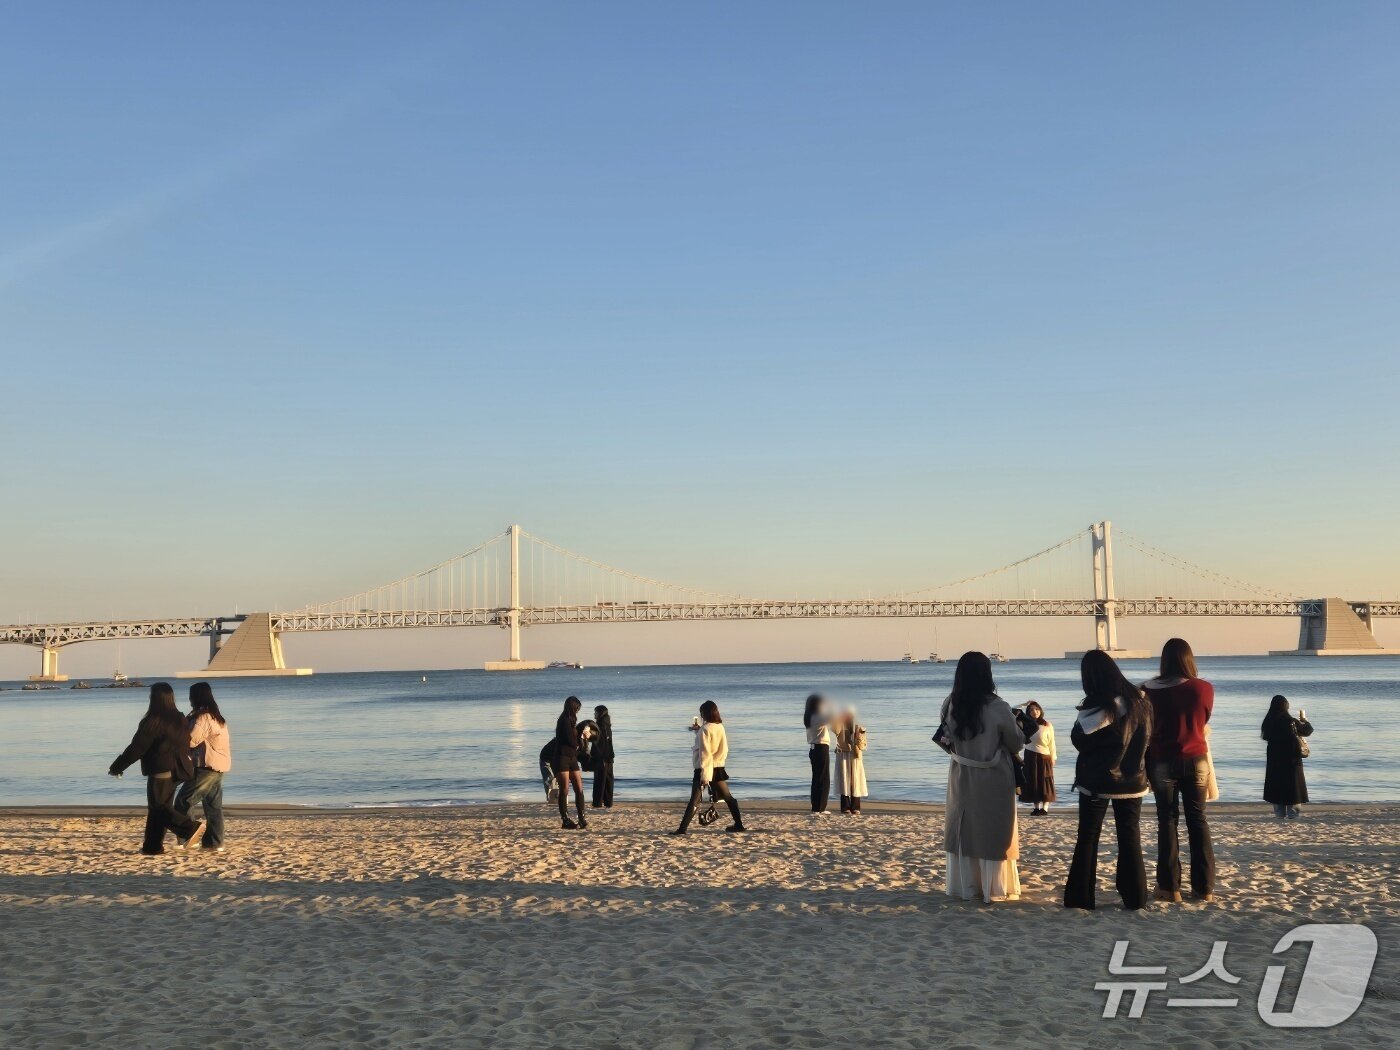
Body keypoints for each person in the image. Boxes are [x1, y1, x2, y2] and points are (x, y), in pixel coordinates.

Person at [1063, 651, 1151, 911]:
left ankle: (1081, 899)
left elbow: (1080, 740)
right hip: (1134, 781)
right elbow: (1147, 738)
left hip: (1098, 781)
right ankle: (1135, 898)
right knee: (1130, 838)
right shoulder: (1142, 700)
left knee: (1088, 837)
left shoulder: (1099, 705)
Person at [937, 652, 1023, 903]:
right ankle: (994, 887)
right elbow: (1015, 743)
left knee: (964, 827)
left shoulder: (951, 703)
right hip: (993, 775)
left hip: (961, 773)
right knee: (994, 830)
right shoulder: (997, 706)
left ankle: (966, 886)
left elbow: (945, 737)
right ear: (987, 674)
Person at [1141, 637, 1216, 903]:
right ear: (1189, 658)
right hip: (1196, 758)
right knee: (1198, 820)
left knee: (1167, 820)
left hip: (1161, 760)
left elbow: (1144, 726)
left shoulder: (1145, 690)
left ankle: (1169, 887)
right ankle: (1204, 888)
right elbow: (1203, 719)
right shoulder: (1203, 688)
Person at [107, 682, 206, 855]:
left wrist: (117, 767)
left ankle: (189, 827)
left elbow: (137, 748)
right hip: (180, 769)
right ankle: (152, 847)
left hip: (162, 769)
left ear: (154, 699)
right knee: (158, 808)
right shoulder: (179, 718)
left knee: (159, 808)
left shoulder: (153, 721)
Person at [174, 682, 231, 852]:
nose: (189, 699)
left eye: (191, 696)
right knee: (213, 806)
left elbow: (190, 740)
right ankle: (215, 842)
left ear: (197, 697)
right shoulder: (216, 716)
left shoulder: (203, 717)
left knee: (183, 801)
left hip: (206, 766)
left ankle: (189, 835)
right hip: (219, 766)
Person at [673, 701, 745, 835]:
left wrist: (705, 776)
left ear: (704, 713)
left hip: (704, 768)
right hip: (718, 767)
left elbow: (705, 753)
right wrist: (698, 730)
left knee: (694, 800)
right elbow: (718, 746)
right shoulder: (719, 727)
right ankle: (739, 824)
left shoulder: (705, 730)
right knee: (728, 798)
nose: (701, 715)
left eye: (701, 713)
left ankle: (682, 829)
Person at [1262, 695, 1314, 818]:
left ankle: (1279, 815)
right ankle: (1292, 815)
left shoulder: (1268, 721)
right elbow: (1308, 730)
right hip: (1292, 759)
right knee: (1293, 787)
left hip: (1275, 760)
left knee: (1277, 786)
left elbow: (1265, 736)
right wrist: (1304, 720)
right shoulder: (1291, 722)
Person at [552, 696, 588, 829]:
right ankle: (565, 819)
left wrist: (583, 736)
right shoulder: (564, 721)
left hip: (572, 758)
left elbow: (575, 741)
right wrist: (581, 738)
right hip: (562, 757)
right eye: (577, 708)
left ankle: (581, 817)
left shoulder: (572, 721)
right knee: (565, 789)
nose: (578, 711)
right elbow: (571, 741)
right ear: (572, 707)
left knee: (579, 787)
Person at [1015, 702, 1056, 815]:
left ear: (1040, 710)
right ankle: (1036, 807)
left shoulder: (1047, 725)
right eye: (1031, 710)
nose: (1035, 712)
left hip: (1045, 756)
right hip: (1030, 755)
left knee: (1045, 782)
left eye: (1037, 709)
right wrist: (1023, 704)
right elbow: (1013, 711)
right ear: (1028, 712)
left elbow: (1052, 743)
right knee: (1033, 781)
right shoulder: (1025, 724)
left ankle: (1045, 808)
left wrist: (1053, 757)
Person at [833, 708, 868, 814]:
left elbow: (863, 745)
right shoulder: (839, 724)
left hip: (855, 755)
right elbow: (835, 730)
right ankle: (845, 807)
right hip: (843, 753)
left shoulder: (858, 726)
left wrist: (861, 733)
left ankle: (855, 806)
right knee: (844, 780)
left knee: (855, 780)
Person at [804, 693, 834, 814]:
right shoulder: (817, 717)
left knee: (816, 778)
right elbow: (832, 717)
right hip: (821, 748)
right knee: (823, 778)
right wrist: (829, 705)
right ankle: (820, 808)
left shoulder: (809, 716)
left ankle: (816, 806)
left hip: (814, 749)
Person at [591, 704, 615, 809]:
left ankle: (597, 802)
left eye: (595, 712)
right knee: (608, 780)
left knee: (599, 780)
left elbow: (598, 743)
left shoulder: (599, 725)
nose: (594, 714)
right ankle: (608, 802)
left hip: (601, 757)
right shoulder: (607, 724)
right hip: (609, 756)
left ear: (600, 713)